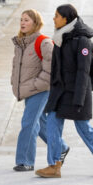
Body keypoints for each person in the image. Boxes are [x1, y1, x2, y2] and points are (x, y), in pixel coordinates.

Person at [36, 4, 93, 178]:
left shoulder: (83, 41)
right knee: (53, 125)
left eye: (56, 16)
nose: (54, 18)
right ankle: (54, 165)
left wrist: (79, 99)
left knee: (83, 127)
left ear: (66, 18)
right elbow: (56, 69)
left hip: (78, 92)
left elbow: (83, 72)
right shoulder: (59, 38)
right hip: (60, 92)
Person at [10, 9, 69, 171]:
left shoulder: (43, 42)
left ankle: (25, 161)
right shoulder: (21, 43)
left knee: (28, 123)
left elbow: (52, 69)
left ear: (36, 23)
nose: (22, 23)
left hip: (40, 90)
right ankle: (61, 147)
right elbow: (18, 67)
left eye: (27, 20)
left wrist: (37, 85)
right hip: (28, 90)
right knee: (39, 123)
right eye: (21, 20)